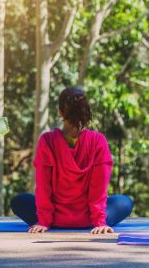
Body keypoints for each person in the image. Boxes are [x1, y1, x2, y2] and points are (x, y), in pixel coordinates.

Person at [11, 86, 133, 234]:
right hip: (88, 220)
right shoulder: (98, 141)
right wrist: (100, 222)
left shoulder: (47, 140)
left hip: (55, 219)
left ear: (60, 112)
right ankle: (94, 220)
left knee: (19, 201)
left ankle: (52, 221)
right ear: (86, 109)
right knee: (125, 202)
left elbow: (43, 187)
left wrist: (43, 221)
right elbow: (98, 189)